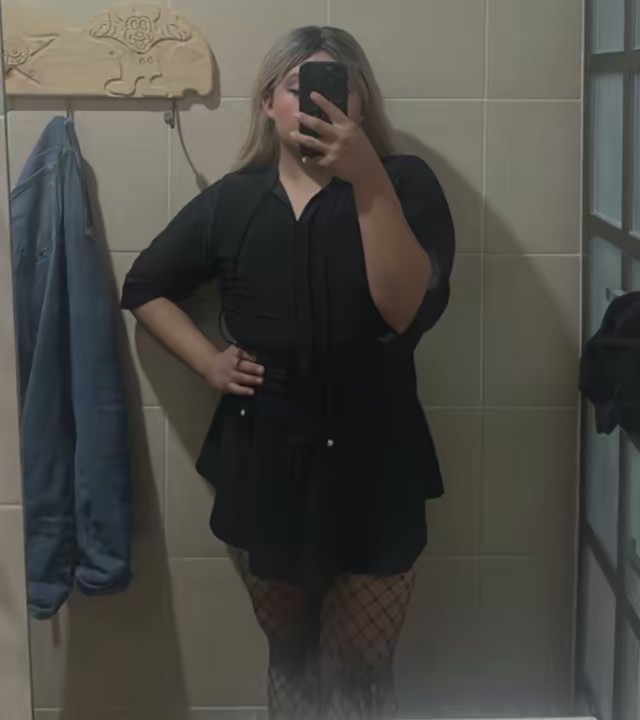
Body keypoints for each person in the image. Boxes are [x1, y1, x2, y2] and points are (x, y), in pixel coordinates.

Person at [121, 25, 455, 720]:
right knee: (294, 663)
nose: (314, 100)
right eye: (296, 86)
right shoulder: (233, 201)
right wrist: (208, 362)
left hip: (377, 460)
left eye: (336, 86)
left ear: (361, 103)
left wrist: (366, 176)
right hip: (266, 459)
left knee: (362, 674)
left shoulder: (405, 184)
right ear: (267, 102)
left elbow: (406, 312)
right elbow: (145, 286)